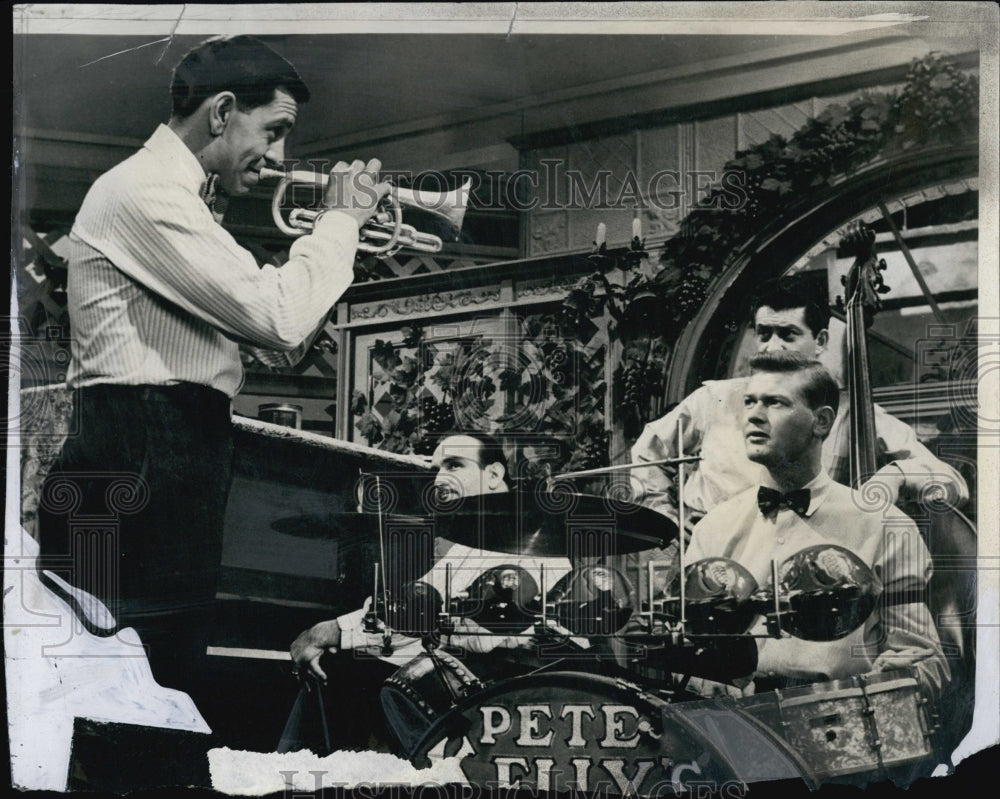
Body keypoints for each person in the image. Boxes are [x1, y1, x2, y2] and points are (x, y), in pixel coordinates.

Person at [36, 35, 390, 711]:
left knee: (149, 699)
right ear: (223, 111)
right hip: (142, 451)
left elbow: (270, 339)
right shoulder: (147, 193)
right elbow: (282, 319)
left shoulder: (169, 195)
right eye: (275, 130)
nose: (282, 156)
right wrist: (342, 219)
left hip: (162, 449)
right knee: (131, 706)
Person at [289, 432, 575, 752]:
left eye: (454, 465)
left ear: (494, 474)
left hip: (509, 692)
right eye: (437, 469)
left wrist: (332, 631)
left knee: (346, 670)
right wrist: (336, 633)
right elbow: (417, 606)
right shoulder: (471, 542)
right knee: (338, 665)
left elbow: (473, 632)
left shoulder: (530, 537)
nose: (440, 479)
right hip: (465, 675)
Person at [685, 351, 949, 699]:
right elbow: (688, 654)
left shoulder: (885, 525)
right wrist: (704, 681)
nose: (754, 415)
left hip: (841, 721)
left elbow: (927, 665)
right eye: (749, 401)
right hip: (735, 730)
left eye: (775, 403)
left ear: (821, 422)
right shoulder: (713, 528)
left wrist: (891, 678)